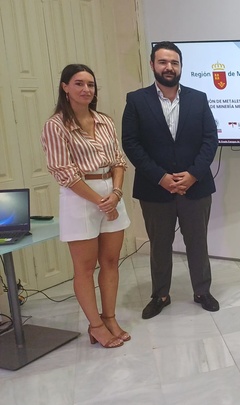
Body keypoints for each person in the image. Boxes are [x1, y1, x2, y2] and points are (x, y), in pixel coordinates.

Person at [122, 41, 219, 319]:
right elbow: (131, 143)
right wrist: (161, 177)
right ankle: (160, 295)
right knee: (159, 244)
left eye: (174, 62)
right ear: (152, 64)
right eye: (163, 62)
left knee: (198, 242)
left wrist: (193, 174)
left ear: (181, 67)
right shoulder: (137, 100)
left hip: (195, 187)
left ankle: (202, 291)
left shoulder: (198, 98)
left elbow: (210, 140)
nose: (169, 67)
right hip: (155, 189)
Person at [41, 64, 131, 348]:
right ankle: (95, 326)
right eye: (78, 83)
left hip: (111, 193)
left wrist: (115, 194)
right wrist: (101, 202)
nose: (86, 90)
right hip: (79, 197)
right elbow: (63, 172)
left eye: (90, 84)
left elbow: (118, 160)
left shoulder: (104, 121)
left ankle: (110, 317)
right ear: (65, 87)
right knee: (84, 267)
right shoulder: (55, 126)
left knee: (111, 261)